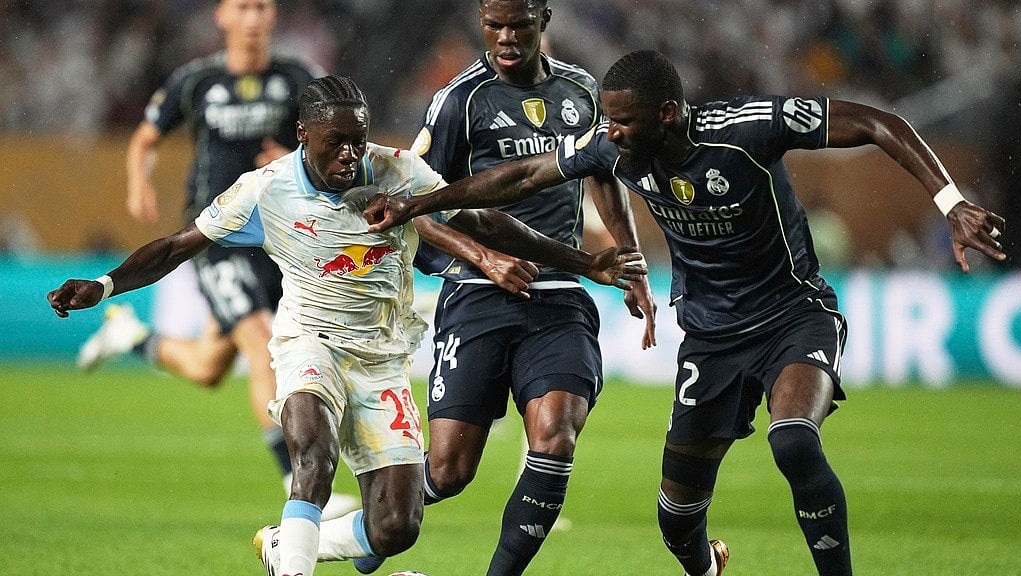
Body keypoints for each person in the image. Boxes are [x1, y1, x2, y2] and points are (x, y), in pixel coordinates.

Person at [363, 49, 1008, 576]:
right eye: (606, 124)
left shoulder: (746, 130)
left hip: (792, 314)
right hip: (710, 339)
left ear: (667, 114)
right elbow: (520, 178)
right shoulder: (615, 150)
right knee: (676, 519)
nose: (609, 136)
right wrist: (422, 205)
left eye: (622, 123)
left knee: (792, 439)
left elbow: (875, 123)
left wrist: (952, 204)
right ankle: (706, 564)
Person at [48, 75, 646, 576]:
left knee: (397, 528)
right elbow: (177, 246)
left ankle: (290, 546)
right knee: (312, 452)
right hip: (309, 343)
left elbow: (486, 222)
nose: (348, 156)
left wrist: (584, 262)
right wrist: (103, 286)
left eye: (356, 142)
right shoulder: (266, 189)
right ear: (303, 136)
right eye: (335, 144)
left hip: (383, 357)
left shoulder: (397, 171)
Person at [74, 0, 357, 516]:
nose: (253, 17)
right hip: (218, 236)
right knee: (260, 339)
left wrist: (299, 161)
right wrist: (138, 181)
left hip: (282, 236)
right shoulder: (195, 81)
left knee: (208, 366)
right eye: (243, 7)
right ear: (222, 16)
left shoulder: (298, 77)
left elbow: (334, 136)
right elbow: (145, 137)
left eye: (263, 7)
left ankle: (131, 337)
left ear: (273, 17)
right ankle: (297, 477)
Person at [406, 2, 655, 575]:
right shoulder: (459, 102)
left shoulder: (583, 90)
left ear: (543, 17)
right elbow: (414, 206)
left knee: (556, 435)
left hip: (562, 290)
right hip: (476, 291)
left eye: (519, 23)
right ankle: (355, 535)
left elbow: (603, 177)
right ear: (480, 21)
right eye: (494, 25)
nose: (506, 37)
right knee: (448, 472)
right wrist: (486, 258)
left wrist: (632, 264)